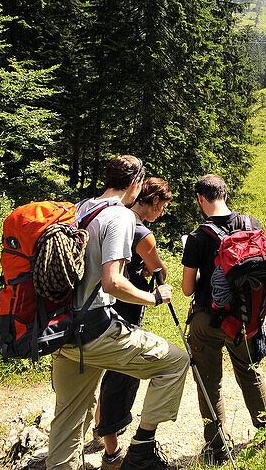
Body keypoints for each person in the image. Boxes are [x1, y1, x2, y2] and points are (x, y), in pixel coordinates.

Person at [47, 156, 188, 470]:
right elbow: (113, 282)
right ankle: (141, 452)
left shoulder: (83, 207)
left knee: (69, 416)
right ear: (136, 184)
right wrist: (153, 297)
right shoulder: (121, 216)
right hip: (94, 329)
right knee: (176, 362)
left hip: (61, 329)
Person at [181, 174, 266, 466]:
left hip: (207, 321)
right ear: (225, 194)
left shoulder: (197, 237)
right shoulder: (251, 224)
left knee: (209, 382)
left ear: (200, 199)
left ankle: (217, 446)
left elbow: (187, 289)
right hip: (244, 320)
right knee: (249, 372)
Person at [91, 177, 173, 465]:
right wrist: (154, 285)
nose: (162, 212)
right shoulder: (141, 232)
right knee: (119, 377)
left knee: (96, 373)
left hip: (91, 309)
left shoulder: (105, 216)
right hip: (123, 311)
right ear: (151, 201)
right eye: (161, 206)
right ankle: (112, 451)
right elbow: (158, 268)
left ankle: (97, 429)